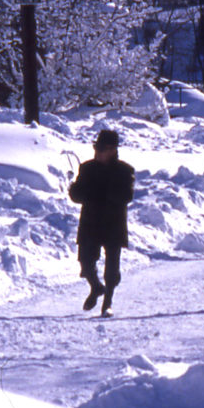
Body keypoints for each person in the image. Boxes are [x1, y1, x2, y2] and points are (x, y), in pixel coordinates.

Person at [68, 129, 135, 317]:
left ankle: (108, 302)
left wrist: (104, 191)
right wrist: (74, 191)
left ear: (113, 149)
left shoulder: (125, 171)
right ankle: (96, 287)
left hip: (113, 223)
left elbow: (127, 196)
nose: (97, 152)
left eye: (102, 149)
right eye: (96, 148)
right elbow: (77, 195)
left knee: (112, 267)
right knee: (85, 263)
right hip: (90, 222)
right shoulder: (87, 168)